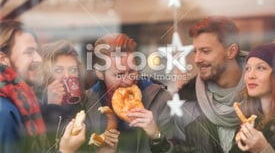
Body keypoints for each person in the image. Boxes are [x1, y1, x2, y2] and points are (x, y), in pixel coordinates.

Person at [150, 16, 247, 153]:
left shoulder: (265, 94)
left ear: (231, 51)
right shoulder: (185, 102)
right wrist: (157, 137)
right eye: (195, 51)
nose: (197, 60)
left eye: (205, 51)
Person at [0, 20, 85, 153]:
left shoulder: (25, 102)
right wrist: (65, 151)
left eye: (38, 52)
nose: (39, 59)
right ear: (2, 60)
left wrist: (51, 108)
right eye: (29, 52)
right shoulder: (4, 112)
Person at [84, 33, 173, 153]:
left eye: (132, 71)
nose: (129, 80)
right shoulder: (85, 104)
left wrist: (157, 136)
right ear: (100, 73)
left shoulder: (162, 100)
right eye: (119, 75)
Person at [35, 40, 86, 148]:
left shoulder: (86, 101)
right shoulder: (35, 104)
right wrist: (52, 107)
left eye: (73, 70)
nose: (67, 76)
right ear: (46, 75)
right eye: (58, 70)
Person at [231, 43, 275, 153]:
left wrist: (264, 149)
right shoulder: (248, 120)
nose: (251, 75)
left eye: (260, 68)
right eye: (247, 68)